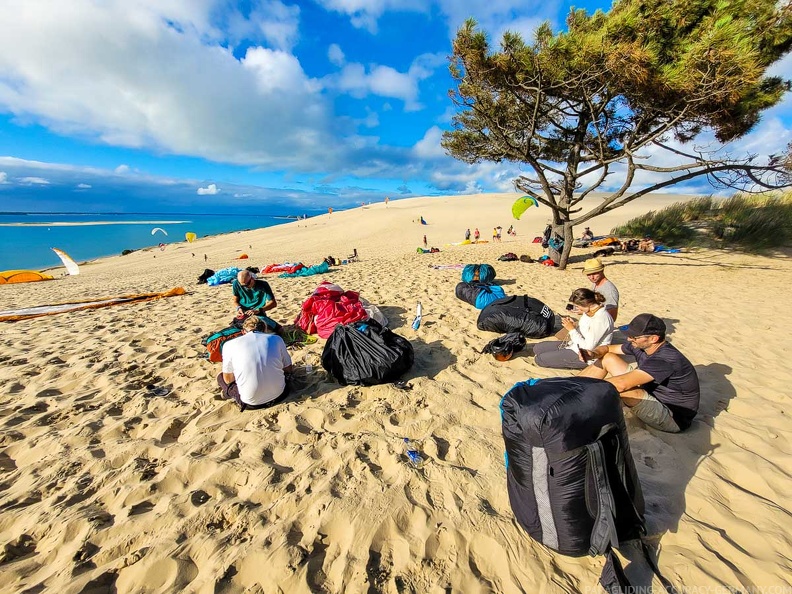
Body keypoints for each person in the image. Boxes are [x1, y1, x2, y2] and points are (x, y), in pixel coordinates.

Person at [578, 314, 700, 433]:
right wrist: (593, 354)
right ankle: (570, 387)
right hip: (650, 393)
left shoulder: (665, 359)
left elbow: (621, 384)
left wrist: (587, 388)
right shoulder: (641, 346)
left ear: (653, 339)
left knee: (624, 390)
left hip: (672, 417)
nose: (629, 339)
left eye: (634, 337)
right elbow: (607, 349)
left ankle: (576, 400)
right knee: (608, 358)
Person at [217, 316, 293, 411]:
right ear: (265, 329)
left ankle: (231, 393)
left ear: (243, 332)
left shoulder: (229, 345)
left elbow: (228, 379)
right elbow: (288, 369)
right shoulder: (276, 339)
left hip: (251, 403)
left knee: (221, 377)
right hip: (281, 395)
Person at [533, 289, 614, 369]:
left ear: (587, 304)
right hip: (573, 345)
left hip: (585, 355)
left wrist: (571, 329)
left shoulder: (601, 319)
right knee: (537, 348)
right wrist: (573, 325)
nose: (577, 308)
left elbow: (588, 347)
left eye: (578, 306)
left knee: (539, 359)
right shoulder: (589, 312)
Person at [232, 269, 282, 334]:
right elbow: (235, 300)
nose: (245, 287)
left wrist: (259, 310)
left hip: (258, 313)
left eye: (247, 284)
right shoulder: (236, 283)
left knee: (279, 330)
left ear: (252, 278)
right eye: (242, 285)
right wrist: (238, 308)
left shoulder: (263, 285)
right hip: (244, 313)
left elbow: (273, 303)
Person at [583, 258, 619, 322]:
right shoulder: (595, 284)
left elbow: (611, 318)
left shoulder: (609, 291)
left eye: (594, 273)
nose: (592, 277)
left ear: (602, 271)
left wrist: (586, 312)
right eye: (588, 274)